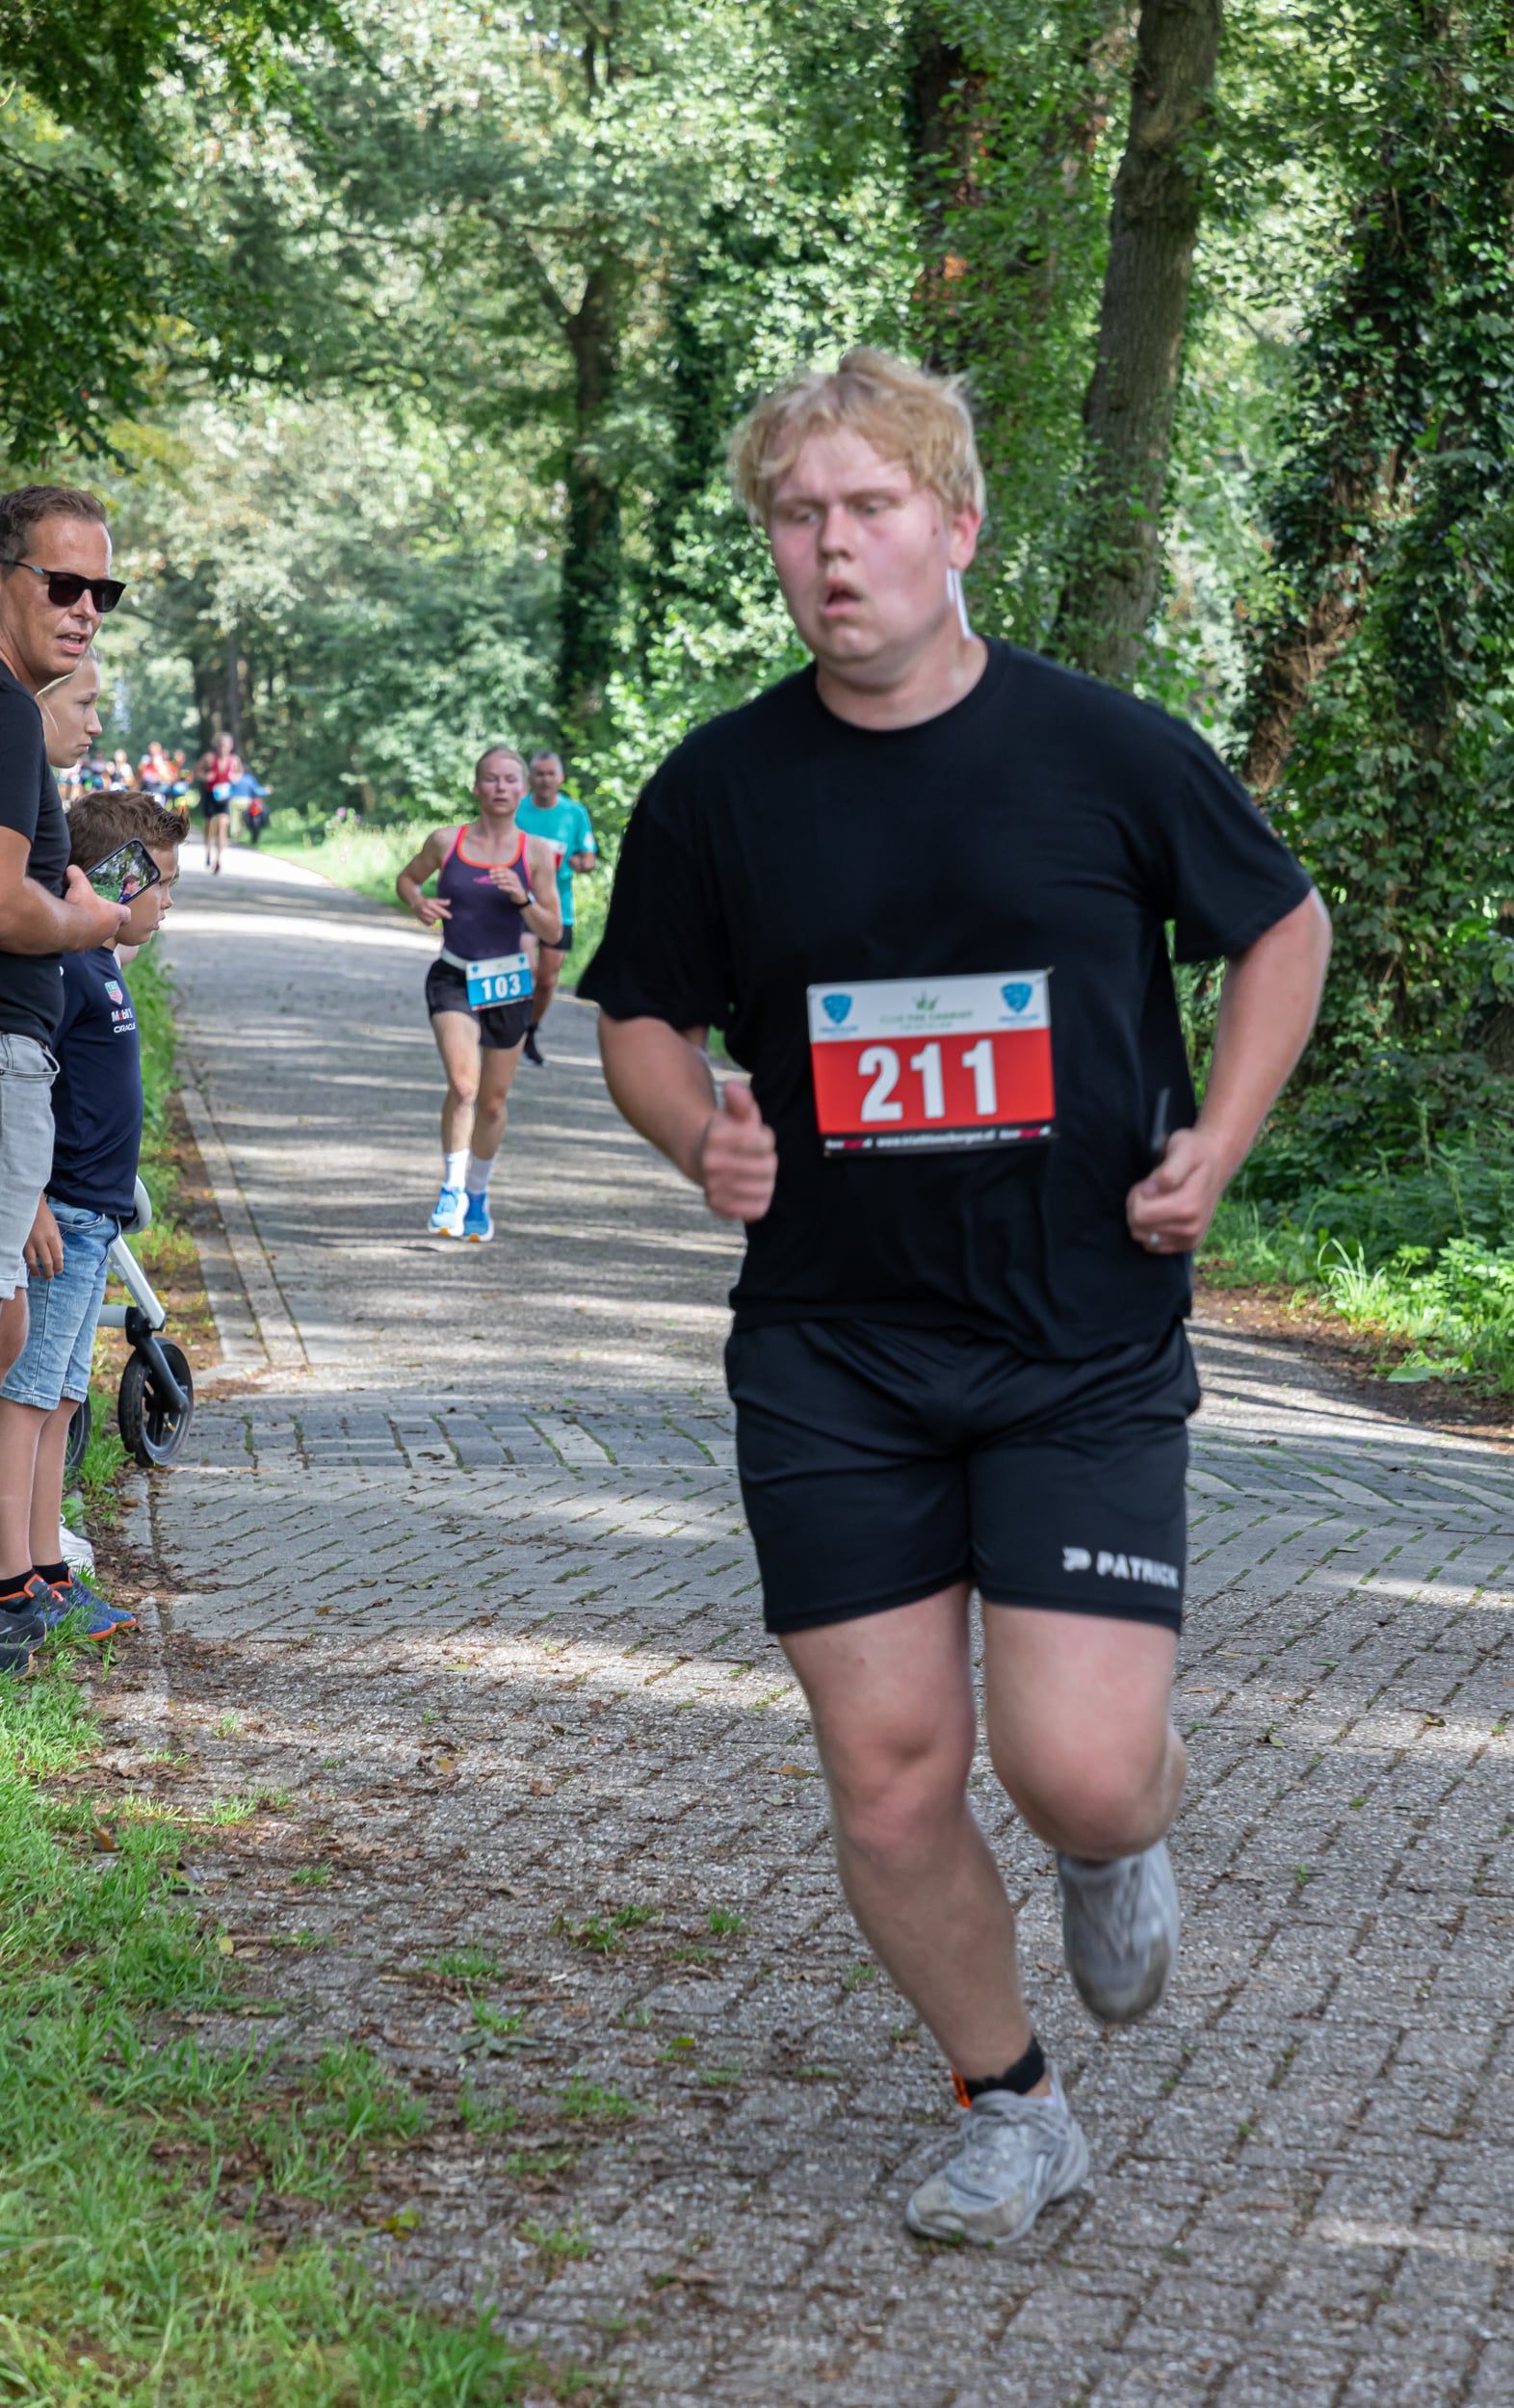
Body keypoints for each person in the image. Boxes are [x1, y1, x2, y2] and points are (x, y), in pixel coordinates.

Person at [579, 350, 1332, 2246]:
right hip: (834, 1348)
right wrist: (701, 1137)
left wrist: (1218, 1143)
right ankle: (1013, 2104)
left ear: (957, 525)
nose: (834, 550)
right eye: (799, 518)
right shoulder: (726, 786)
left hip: (1079, 1339)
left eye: (872, 508)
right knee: (894, 1774)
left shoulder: (1109, 749)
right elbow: (641, 1016)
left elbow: (1283, 928)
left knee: (1069, 1762)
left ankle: (1120, 1828)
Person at [0, 754, 183, 1642]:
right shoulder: (67, 969)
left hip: (96, 1216)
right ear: (118, 876)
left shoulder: (104, 965)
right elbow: (28, 1095)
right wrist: (30, 1200)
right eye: (163, 885)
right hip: (59, 1215)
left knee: (64, 1400)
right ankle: (14, 1584)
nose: (168, 904)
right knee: (28, 1400)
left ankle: (48, 1569)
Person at [0, 486, 130, 1675]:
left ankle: (28, 1574)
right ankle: (12, 1588)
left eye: (106, 591)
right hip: (16, 1084)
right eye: (64, 584)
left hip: (33, 1092)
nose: (88, 610)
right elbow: (6, 908)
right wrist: (88, 922)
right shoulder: (3, 719)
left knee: (32, 1367)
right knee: (11, 1354)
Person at [395, 745, 561, 1242]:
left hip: (509, 983)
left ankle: (479, 1195)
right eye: (491, 779)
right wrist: (418, 903)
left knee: (492, 1101)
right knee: (464, 1085)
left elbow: (553, 931)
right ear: (476, 786)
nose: (501, 788)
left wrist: (523, 897)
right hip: (453, 975)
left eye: (511, 780)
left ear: (524, 789)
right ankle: (451, 1188)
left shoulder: (536, 853)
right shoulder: (447, 841)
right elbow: (407, 879)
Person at [515, 749, 597, 1066]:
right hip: (520, 902)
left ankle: (530, 1032)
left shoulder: (575, 813)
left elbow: (588, 860)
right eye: (539, 774)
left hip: (557, 906)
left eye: (551, 774)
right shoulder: (517, 809)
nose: (545, 779)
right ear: (531, 778)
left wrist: (567, 860)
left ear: (561, 778)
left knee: (548, 979)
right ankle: (506, 1029)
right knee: (525, 969)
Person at [193, 729, 242, 873]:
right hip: (210, 795)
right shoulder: (208, 757)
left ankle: (218, 859)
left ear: (230, 746)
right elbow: (197, 771)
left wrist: (234, 778)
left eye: (226, 745)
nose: (223, 748)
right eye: (221, 745)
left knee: (222, 824)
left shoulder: (234, 760)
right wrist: (205, 776)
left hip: (224, 796)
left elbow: (239, 773)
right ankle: (208, 851)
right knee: (209, 826)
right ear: (217, 745)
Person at [227, 767, 272, 844]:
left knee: (234, 819)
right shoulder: (249, 779)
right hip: (246, 802)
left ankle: (234, 836)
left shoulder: (234, 777)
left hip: (233, 801)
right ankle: (241, 834)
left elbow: (228, 790)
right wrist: (266, 790)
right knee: (244, 818)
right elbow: (256, 790)